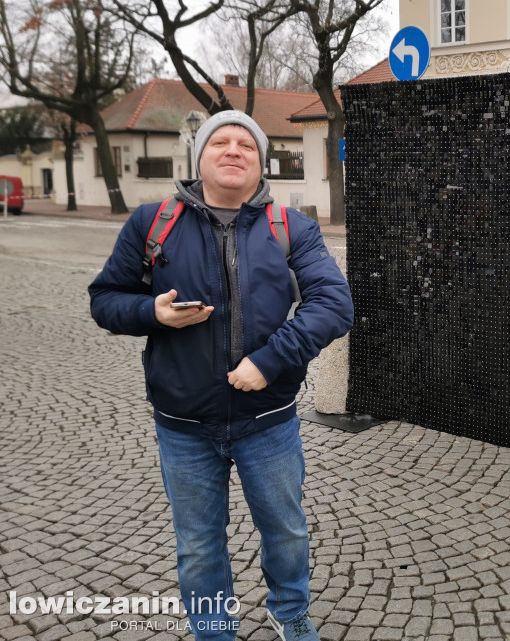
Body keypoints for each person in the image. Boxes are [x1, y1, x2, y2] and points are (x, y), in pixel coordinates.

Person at [89, 111, 353, 641]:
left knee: (285, 532)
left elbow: (333, 303)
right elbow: (105, 300)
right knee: (198, 543)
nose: (233, 151)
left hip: (269, 420)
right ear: (201, 156)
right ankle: (213, 630)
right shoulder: (152, 222)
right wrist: (152, 314)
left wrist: (269, 361)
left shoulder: (290, 226)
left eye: (246, 146)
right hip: (183, 424)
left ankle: (290, 612)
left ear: (260, 164)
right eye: (221, 142)